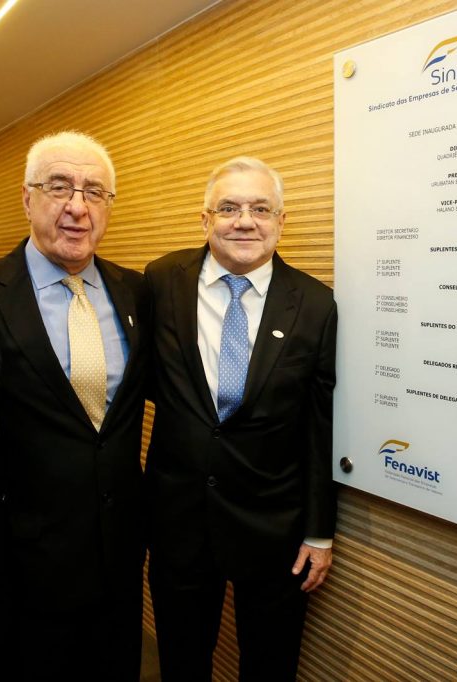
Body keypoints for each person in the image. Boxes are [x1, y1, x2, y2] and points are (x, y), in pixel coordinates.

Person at [144, 157, 337, 681]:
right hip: (179, 520)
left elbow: (320, 427)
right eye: (228, 208)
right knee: (181, 662)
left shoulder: (315, 304)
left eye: (260, 209)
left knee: (270, 666)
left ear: (281, 221)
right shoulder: (162, 281)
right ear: (205, 219)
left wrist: (320, 532)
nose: (244, 221)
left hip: (275, 527)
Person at [0, 131, 149, 681]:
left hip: (119, 553)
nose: (77, 206)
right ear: (27, 198)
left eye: (94, 191)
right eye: (59, 187)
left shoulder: (137, 292)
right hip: (24, 558)